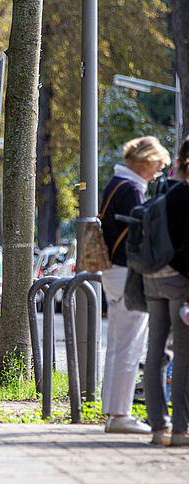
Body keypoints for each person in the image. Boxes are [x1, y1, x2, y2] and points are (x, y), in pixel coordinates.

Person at [100, 136, 171, 434]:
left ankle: (113, 410)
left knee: (117, 343)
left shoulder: (116, 183)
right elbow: (141, 235)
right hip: (127, 273)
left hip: (112, 272)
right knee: (130, 345)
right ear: (143, 162)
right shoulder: (131, 190)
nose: (156, 173)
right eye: (156, 166)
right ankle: (120, 414)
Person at [146, 138, 189, 446]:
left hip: (152, 277)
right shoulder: (186, 194)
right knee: (184, 356)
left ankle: (158, 428)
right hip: (179, 281)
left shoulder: (161, 188)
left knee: (155, 353)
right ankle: (180, 429)